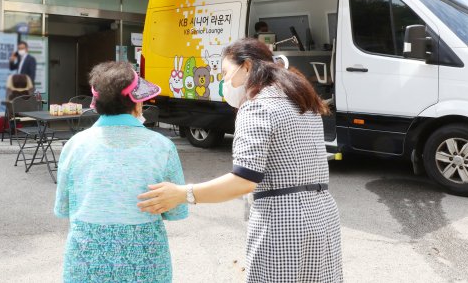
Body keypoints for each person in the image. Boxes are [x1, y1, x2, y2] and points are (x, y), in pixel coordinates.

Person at [137, 38, 343, 282]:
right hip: (323, 216)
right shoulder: (303, 102)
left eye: (226, 74)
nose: (225, 83)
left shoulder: (257, 108)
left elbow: (244, 180)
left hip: (283, 223)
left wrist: (183, 193)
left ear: (246, 67)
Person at [54, 61, 188, 283]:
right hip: (146, 263)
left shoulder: (74, 145)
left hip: (86, 262)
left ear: (96, 103)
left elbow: (64, 207)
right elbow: (175, 211)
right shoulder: (161, 146)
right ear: (137, 104)